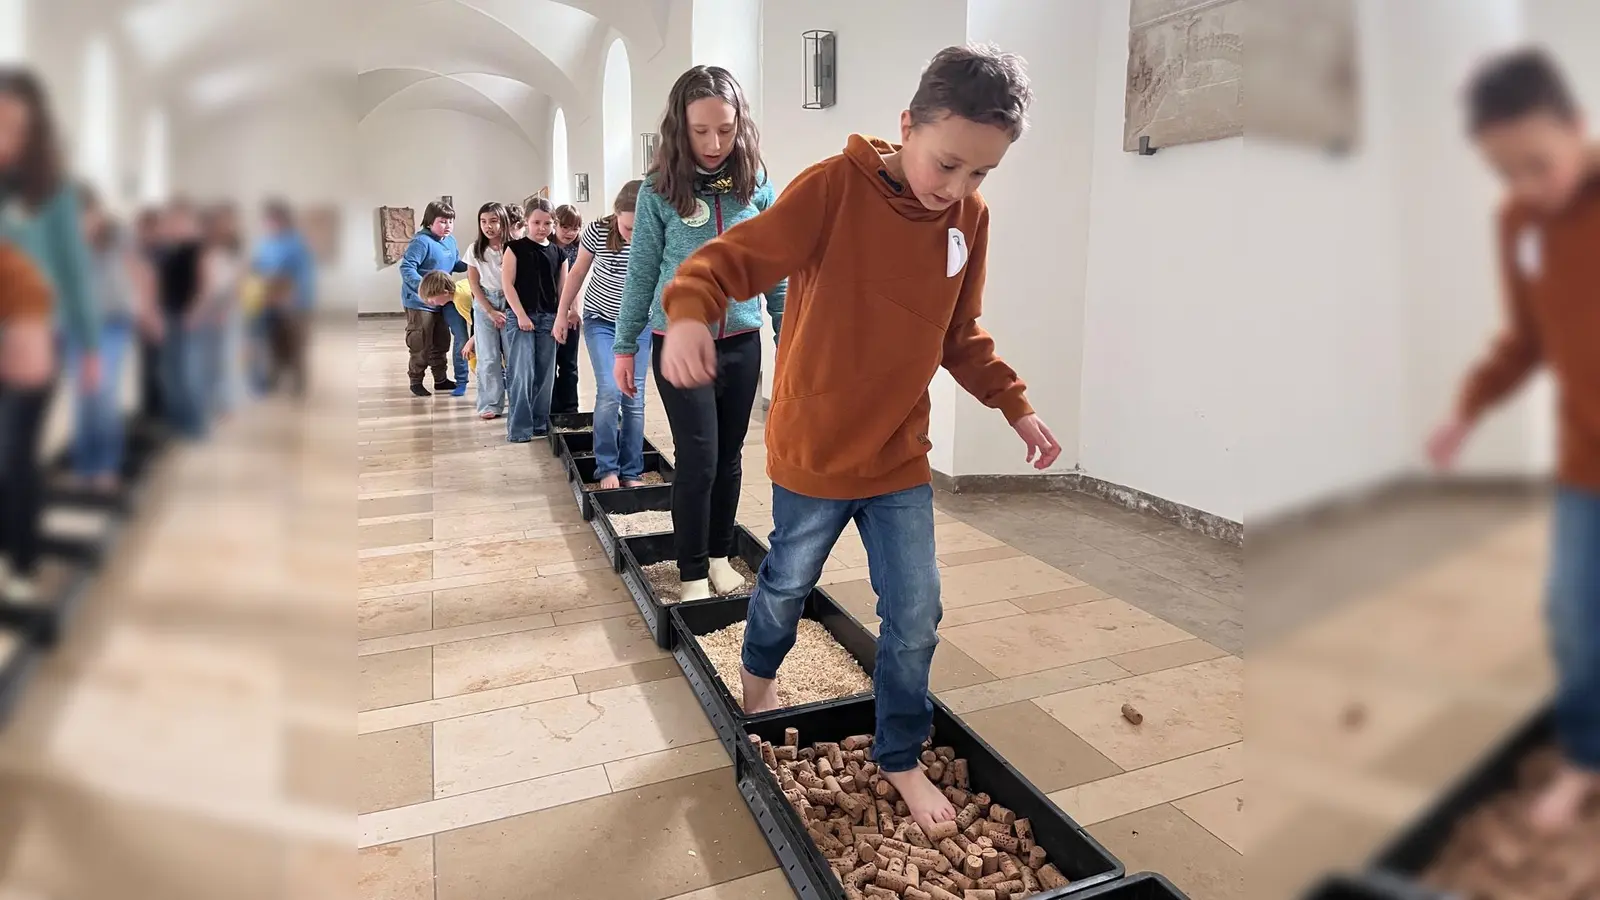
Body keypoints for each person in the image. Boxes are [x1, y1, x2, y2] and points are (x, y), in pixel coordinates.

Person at [657, 44, 1061, 833]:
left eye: (980, 175)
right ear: (907, 125)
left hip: (899, 458)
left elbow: (960, 334)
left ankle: (900, 752)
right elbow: (729, 260)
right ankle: (759, 673)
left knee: (915, 613)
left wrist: (1013, 405)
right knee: (785, 583)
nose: (959, 189)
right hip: (813, 450)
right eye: (948, 164)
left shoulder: (969, 221)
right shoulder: (833, 190)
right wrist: (685, 312)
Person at [1426, 48, 1600, 834]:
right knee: (1570, 612)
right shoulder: (1521, 221)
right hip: (1585, 463)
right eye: (1507, 173)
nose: (1527, 187)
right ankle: (1587, 758)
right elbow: (1528, 338)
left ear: (1577, 126)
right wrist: (1468, 408)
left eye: (1538, 163)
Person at [614, 66, 786, 603]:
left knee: (731, 455)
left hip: (740, 343)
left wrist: (788, 332)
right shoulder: (658, 191)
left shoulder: (756, 184)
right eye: (701, 131)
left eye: (726, 129)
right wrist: (624, 345)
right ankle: (689, 571)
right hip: (677, 344)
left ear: (741, 126)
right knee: (698, 458)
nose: (714, 143)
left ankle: (718, 555)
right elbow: (641, 271)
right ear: (680, 129)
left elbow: (775, 267)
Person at [0, 68, 100, 603]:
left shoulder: (52, 191)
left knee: (14, 453)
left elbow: (74, 269)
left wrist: (87, 344)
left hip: (35, 336)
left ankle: (22, 561)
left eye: (15, 124)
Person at [556, 180, 644, 490]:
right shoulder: (597, 231)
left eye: (639, 227)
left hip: (638, 325)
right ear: (616, 213)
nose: (632, 234)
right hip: (601, 320)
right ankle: (607, 467)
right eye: (627, 227)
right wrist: (562, 314)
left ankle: (632, 470)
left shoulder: (656, 232)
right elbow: (578, 272)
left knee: (633, 395)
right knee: (609, 390)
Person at [68, 185, 153, 492]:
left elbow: (141, 272)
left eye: (84, 214)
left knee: (103, 392)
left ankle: (106, 464)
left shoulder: (119, 236)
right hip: (77, 325)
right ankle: (84, 464)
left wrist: (147, 311)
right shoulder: (66, 241)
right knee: (83, 397)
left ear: (96, 211)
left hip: (113, 323)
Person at [500, 199, 565, 442]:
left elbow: (563, 288)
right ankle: (519, 429)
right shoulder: (514, 248)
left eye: (547, 223)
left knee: (545, 374)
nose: (542, 228)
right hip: (520, 317)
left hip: (549, 318)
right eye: (536, 222)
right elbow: (508, 284)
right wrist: (520, 315)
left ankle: (540, 423)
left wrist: (561, 316)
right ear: (527, 222)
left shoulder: (558, 253)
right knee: (521, 373)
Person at [399, 199, 469, 396]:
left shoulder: (450, 241)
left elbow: (455, 264)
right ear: (430, 222)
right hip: (419, 302)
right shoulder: (421, 242)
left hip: (442, 301)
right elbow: (406, 268)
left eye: (450, 221)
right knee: (421, 342)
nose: (447, 226)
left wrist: (474, 262)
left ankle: (440, 379)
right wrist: (425, 290)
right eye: (442, 221)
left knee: (441, 341)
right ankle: (416, 381)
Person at [154, 200, 209, 438]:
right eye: (170, 221)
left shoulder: (197, 249)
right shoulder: (168, 249)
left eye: (178, 221)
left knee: (188, 371)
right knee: (171, 371)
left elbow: (206, 285)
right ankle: (177, 421)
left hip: (188, 316)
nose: (173, 225)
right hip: (169, 313)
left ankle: (195, 425)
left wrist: (195, 311)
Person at [251, 200, 317, 397]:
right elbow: (258, 268)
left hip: (295, 305)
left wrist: (289, 297)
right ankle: (274, 381)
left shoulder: (295, 243)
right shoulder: (266, 243)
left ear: (281, 220)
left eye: (270, 220)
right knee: (274, 345)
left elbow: (301, 275)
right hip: (269, 303)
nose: (267, 225)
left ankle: (298, 386)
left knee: (294, 346)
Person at [197, 203, 245, 417]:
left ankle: (226, 403)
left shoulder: (234, 250)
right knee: (208, 357)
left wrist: (225, 308)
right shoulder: (206, 250)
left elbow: (238, 282)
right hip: (209, 307)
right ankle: (210, 400)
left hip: (227, 308)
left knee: (225, 357)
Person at [466, 202, 511, 419]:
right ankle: (491, 404)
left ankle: (518, 399)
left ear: (503, 221)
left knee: (514, 356)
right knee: (488, 357)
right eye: (483, 222)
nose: (488, 226)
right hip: (485, 302)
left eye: (493, 221)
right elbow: (474, 284)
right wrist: (490, 311)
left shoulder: (514, 246)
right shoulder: (475, 249)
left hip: (511, 302)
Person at [551, 203, 583, 415]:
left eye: (575, 227)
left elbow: (577, 284)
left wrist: (574, 310)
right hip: (548, 311)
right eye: (565, 227)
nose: (570, 232)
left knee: (569, 364)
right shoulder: (547, 246)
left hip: (571, 309)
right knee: (549, 364)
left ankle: (571, 409)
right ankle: (552, 408)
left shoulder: (579, 249)